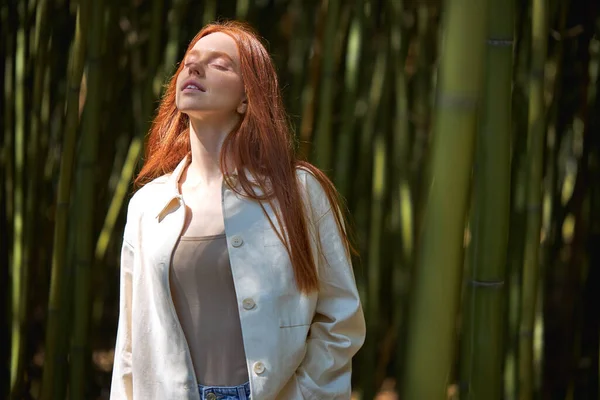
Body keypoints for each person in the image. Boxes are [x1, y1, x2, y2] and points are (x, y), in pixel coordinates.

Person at [110, 20, 365, 400]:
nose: (193, 68)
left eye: (219, 64)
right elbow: (130, 344)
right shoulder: (148, 206)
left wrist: (302, 394)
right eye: (189, 61)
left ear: (248, 97)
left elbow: (339, 319)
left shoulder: (297, 192)